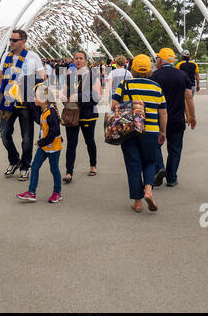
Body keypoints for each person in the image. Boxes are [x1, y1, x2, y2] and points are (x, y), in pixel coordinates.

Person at [111, 54, 167, 213]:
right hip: (151, 131)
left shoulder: (125, 84)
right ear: (150, 69)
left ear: (133, 69)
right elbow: (163, 113)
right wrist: (162, 132)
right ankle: (148, 191)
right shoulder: (156, 87)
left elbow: (114, 104)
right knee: (150, 162)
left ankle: (137, 202)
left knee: (133, 165)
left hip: (130, 130)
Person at [0, 30, 45, 181]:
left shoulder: (32, 57)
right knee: (4, 133)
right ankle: (14, 160)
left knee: (27, 138)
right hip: (7, 100)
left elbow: (43, 76)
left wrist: (26, 81)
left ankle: (25, 166)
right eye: (11, 40)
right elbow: (0, 76)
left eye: (14, 40)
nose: (11, 43)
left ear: (23, 41)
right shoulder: (6, 57)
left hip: (25, 102)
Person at [152, 48, 196, 187]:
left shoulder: (154, 76)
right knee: (175, 149)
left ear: (160, 60)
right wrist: (192, 116)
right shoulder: (182, 75)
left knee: (155, 145)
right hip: (177, 119)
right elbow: (189, 97)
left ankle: (159, 167)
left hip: (158, 120)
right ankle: (171, 178)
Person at [16, 85, 62, 203]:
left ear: (43, 99)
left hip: (53, 148)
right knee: (35, 167)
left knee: (54, 169)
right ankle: (31, 193)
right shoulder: (44, 111)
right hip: (44, 147)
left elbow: (55, 131)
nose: (34, 99)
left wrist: (42, 141)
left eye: (35, 97)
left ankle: (57, 193)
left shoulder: (50, 113)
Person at [61, 51, 101, 183]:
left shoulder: (93, 75)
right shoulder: (70, 76)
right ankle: (69, 172)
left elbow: (96, 97)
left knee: (89, 141)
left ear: (86, 61)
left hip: (87, 114)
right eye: (76, 58)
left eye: (81, 58)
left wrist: (77, 96)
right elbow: (64, 91)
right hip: (72, 114)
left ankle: (93, 165)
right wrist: (62, 96)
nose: (78, 60)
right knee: (71, 144)